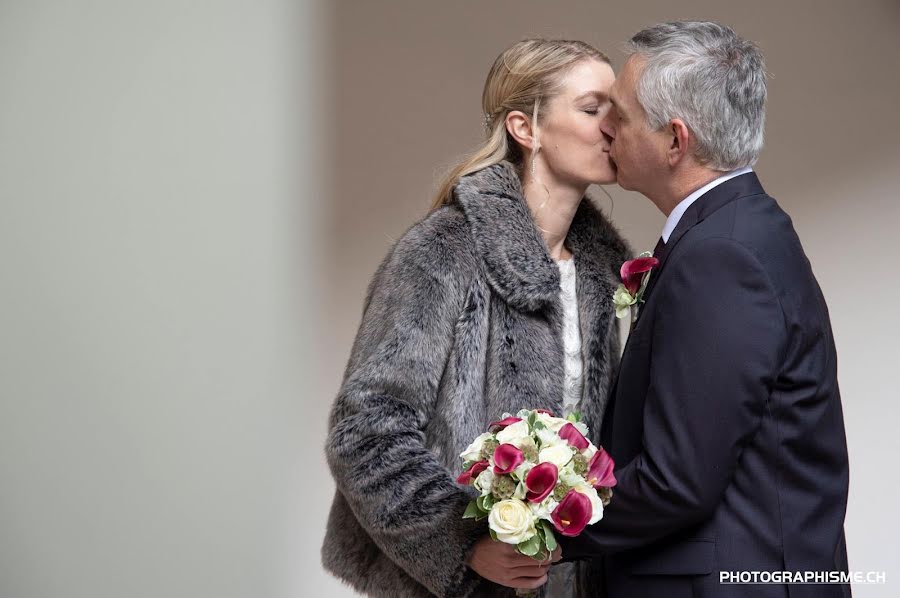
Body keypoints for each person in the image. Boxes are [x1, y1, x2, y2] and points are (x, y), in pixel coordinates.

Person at [321, 39, 630, 597]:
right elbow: (365, 430)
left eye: (618, 109)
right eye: (591, 109)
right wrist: (461, 546)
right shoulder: (442, 251)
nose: (614, 126)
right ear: (525, 128)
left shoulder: (601, 273)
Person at [553, 21, 851, 598]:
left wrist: (545, 528)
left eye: (621, 113)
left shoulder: (721, 255)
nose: (605, 127)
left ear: (675, 140)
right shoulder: (740, 229)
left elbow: (676, 481)